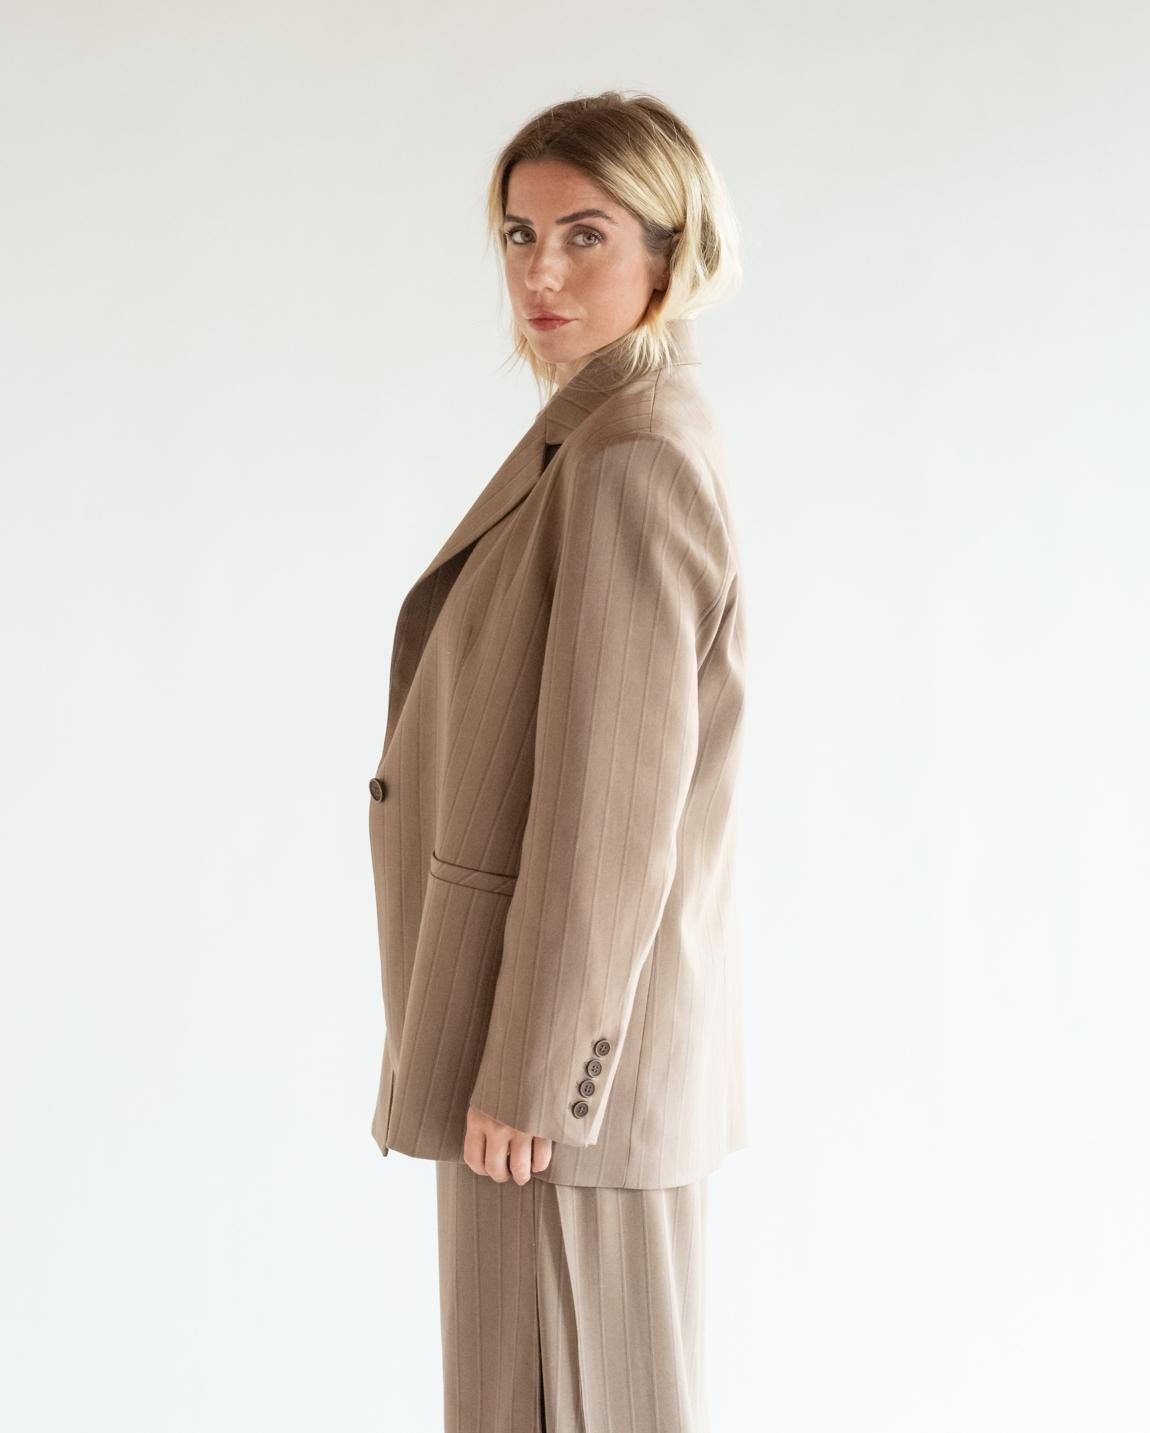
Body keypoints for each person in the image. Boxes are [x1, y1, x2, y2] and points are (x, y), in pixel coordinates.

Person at [367, 89, 749, 1433]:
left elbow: (613, 804)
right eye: (520, 236)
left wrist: (537, 1070)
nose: (541, 273)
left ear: (670, 249)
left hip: (556, 1087)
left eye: (586, 235)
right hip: (523, 1054)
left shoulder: (631, 457)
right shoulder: (592, 438)